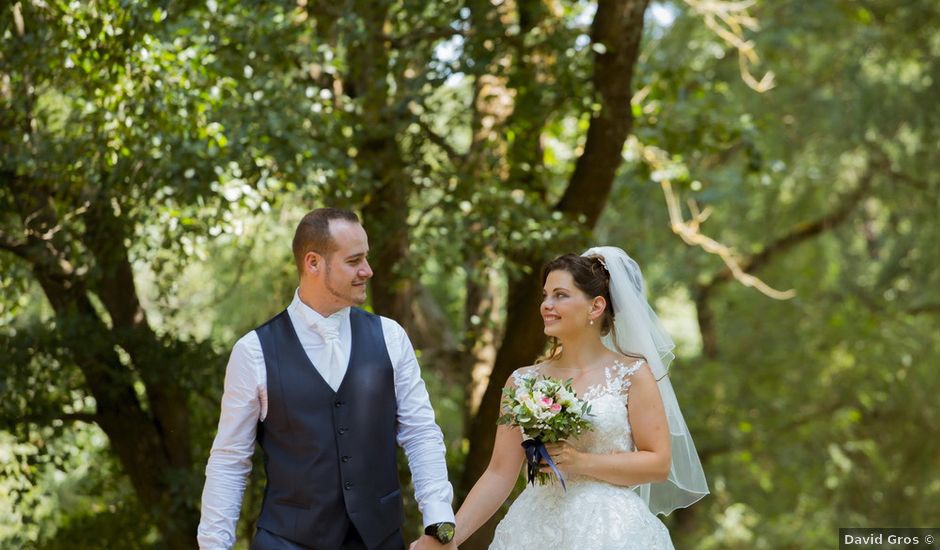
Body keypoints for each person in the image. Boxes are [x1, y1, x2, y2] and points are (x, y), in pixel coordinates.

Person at [197, 208, 457, 550]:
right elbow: (230, 461)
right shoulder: (254, 352)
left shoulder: (390, 337)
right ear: (313, 263)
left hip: (379, 541)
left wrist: (439, 520)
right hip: (287, 542)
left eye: (366, 258)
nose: (368, 270)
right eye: (354, 261)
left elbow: (420, 432)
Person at [453, 247, 709, 549]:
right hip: (533, 530)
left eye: (560, 295)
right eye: (545, 295)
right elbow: (498, 472)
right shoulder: (522, 381)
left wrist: (581, 462)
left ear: (596, 306)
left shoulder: (633, 374)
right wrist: (449, 537)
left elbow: (658, 463)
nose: (546, 305)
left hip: (612, 532)